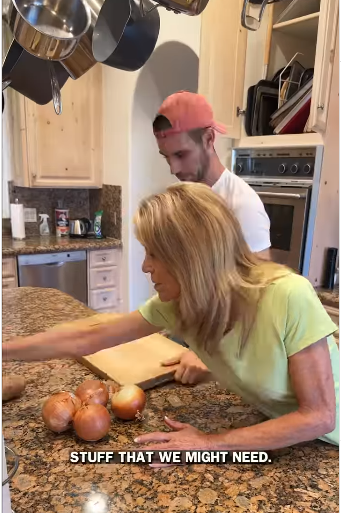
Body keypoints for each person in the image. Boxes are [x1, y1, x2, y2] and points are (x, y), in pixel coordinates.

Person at [4, 183, 339, 453]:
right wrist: (5, 350)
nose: (145, 266)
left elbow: (320, 417)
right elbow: (87, 337)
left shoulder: (288, 295)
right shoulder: (181, 303)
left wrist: (210, 442)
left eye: (154, 253)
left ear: (190, 257)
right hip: (287, 437)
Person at [153, 91, 272, 383]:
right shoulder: (186, 199)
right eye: (166, 157)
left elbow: (259, 301)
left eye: (181, 154)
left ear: (208, 139)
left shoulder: (243, 206)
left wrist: (208, 351)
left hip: (224, 354)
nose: (174, 168)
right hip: (190, 338)